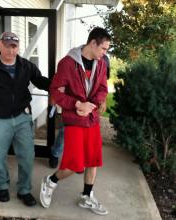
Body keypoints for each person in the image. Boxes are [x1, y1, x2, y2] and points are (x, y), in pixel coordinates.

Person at [40, 27, 111, 215]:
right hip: (73, 119)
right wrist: (78, 104)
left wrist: (91, 105)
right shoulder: (67, 63)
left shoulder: (102, 63)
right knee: (74, 164)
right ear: (93, 43)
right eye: (103, 48)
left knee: (93, 160)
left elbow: (103, 88)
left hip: (92, 117)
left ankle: (87, 196)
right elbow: (55, 92)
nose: (105, 53)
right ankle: (50, 181)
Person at [0, 32, 50, 206]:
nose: (11, 50)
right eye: (7, 45)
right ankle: (1, 185)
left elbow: (40, 81)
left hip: (22, 116)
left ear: (18, 47)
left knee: (27, 155)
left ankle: (24, 189)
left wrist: (58, 86)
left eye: (14, 46)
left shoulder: (26, 66)